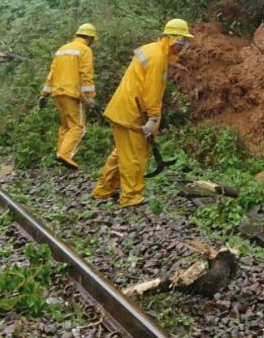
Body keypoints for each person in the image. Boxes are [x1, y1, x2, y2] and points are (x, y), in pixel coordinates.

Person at [91, 18, 192, 207]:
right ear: (170, 38)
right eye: (181, 41)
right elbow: (151, 92)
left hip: (125, 108)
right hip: (132, 112)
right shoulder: (157, 58)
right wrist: (153, 118)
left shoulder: (152, 50)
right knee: (134, 156)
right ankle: (130, 197)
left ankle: (103, 190)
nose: (183, 46)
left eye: (185, 42)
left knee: (121, 153)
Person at [38, 23, 98, 170]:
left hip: (57, 93)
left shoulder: (62, 50)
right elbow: (86, 73)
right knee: (78, 127)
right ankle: (65, 155)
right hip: (73, 93)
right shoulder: (85, 50)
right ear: (90, 38)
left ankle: (60, 154)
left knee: (66, 126)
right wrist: (90, 96)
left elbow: (51, 73)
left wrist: (44, 93)